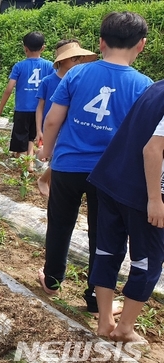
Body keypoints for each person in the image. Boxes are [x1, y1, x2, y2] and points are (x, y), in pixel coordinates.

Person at [36, 12, 152, 317]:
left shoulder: (76, 74)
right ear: (141, 45)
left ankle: (51, 281)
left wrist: (47, 152)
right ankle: (93, 297)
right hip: (111, 175)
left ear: (100, 42)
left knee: (60, 224)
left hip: (68, 166)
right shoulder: (144, 86)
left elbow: (52, 119)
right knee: (104, 236)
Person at [87, 80, 164, 344]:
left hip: (112, 177)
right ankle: (124, 328)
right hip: (141, 191)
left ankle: (105, 321)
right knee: (148, 260)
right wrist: (155, 199)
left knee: (107, 250)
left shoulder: (156, 87)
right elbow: (153, 149)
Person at [35, 40, 97, 196]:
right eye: (74, 58)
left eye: (80, 58)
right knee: (57, 157)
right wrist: (39, 130)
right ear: (62, 60)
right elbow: (40, 107)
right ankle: (44, 181)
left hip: (70, 126)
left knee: (60, 157)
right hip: (52, 125)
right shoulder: (48, 81)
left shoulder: (81, 81)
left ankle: (45, 181)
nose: (79, 61)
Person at [0, 31, 54, 170]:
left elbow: (9, 89)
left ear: (24, 47)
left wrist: (0, 110)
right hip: (40, 109)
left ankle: (26, 162)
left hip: (22, 108)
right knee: (32, 136)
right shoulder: (50, 66)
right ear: (43, 48)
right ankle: (29, 162)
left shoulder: (19, 66)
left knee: (21, 135)